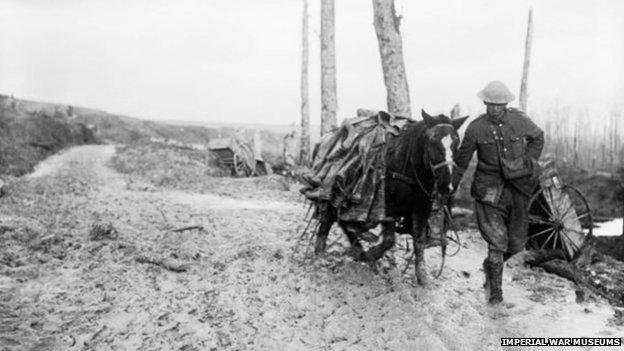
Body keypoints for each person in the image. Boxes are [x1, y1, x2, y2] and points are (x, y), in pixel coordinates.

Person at [453, 81, 544, 304]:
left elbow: (538, 137)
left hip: (518, 189)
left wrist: (527, 162)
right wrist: (450, 188)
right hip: (488, 191)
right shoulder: (476, 128)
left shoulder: (519, 120)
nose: (495, 108)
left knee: (515, 244)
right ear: (485, 103)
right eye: (491, 104)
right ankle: (496, 295)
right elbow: (462, 161)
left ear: (506, 104)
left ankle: (491, 266)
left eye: (499, 104)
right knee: (497, 242)